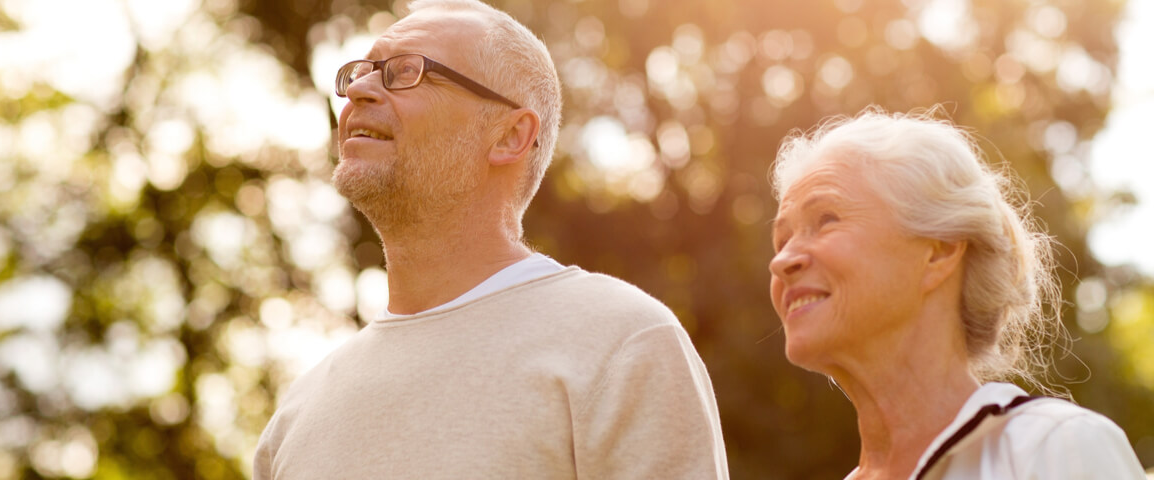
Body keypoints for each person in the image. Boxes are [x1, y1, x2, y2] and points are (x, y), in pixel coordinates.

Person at [253, 0, 729, 478]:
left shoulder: (622, 343)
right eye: (360, 72)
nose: (358, 89)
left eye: (405, 71)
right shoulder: (295, 418)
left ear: (509, 136)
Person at [767, 109, 1145, 479]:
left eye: (826, 220)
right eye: (782, 239)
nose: (781, 261)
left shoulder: (1054, 448)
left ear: (939, 251)